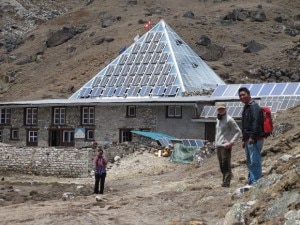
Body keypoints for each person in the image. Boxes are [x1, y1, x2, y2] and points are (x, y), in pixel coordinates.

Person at [238, 87, 264, 185]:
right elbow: (246, 125)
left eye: (243, 94)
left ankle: (255, 182)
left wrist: (252, 137)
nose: (242, 97)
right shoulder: (246, 107)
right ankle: (251, 181)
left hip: (254, 138)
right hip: (248, 138)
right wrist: (243, 139)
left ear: (249, 94)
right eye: (240, 95)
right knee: (249, 161)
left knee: (254, 160)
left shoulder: (254, 107)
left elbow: (255, 123)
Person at [215, 102, 241, 187]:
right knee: (221, 165)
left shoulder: (229, 119)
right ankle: (225, 180)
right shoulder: (218, 119)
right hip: (218, 145)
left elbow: (238, 131)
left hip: (225, 145)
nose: (221, 110)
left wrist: (231, 142)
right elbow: (218, 133)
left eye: (222, 108)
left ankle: (226, 183)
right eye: (219, 109)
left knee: (226, 165)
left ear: (225, 109)